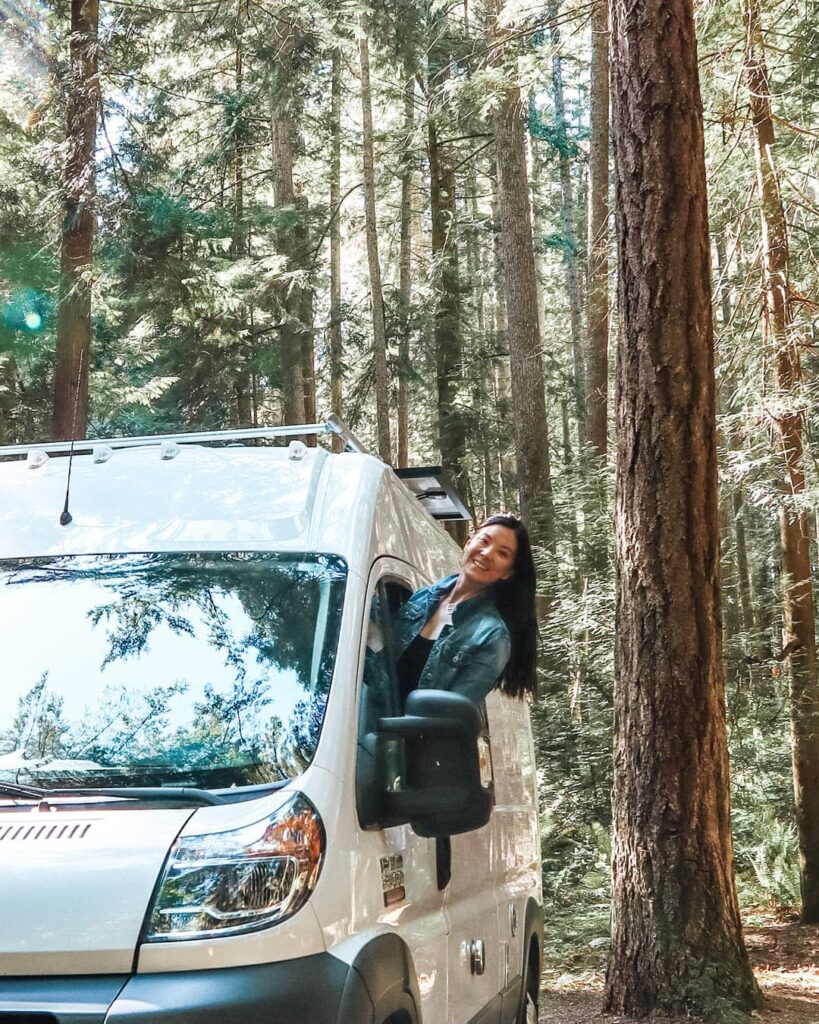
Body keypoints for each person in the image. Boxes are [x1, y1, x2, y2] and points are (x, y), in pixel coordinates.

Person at [391, 514, 538, 705]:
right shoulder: (422, 597)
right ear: (468, 543)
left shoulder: (492, 636)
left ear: (508, 573)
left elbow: (449, 716)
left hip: (405, 734)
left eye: (502, 553)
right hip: (355, 723)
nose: (487, 554)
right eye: (484, 541)